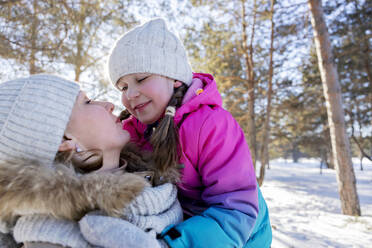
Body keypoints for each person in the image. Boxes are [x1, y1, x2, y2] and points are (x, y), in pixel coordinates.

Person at [107, 18, 272, 247]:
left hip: (242, 234)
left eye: (141, 79)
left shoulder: (211, 125)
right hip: (186, 227)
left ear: (174, 79)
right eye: (123, 87)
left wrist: (174, 243)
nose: (130, 94)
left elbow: (235, 210)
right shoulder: (130, 131)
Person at [0, 74, 183, 248]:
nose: (110, 104)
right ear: (64, 140)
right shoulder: (47, 240)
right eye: (87, 102)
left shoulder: (161, 183)